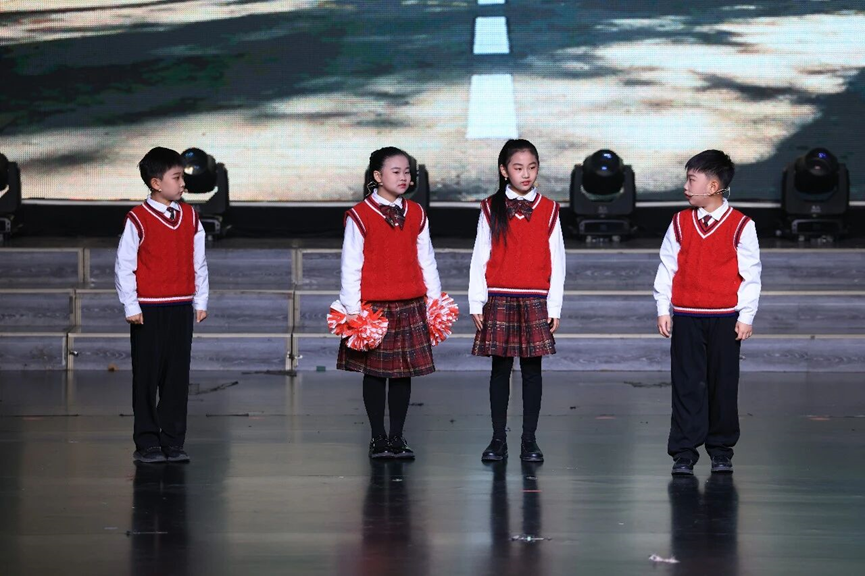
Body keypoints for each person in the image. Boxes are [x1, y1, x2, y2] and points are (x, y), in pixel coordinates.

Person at [653, 150, 762, 476]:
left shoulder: (741, 225)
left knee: (723, 384)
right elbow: (667, 266)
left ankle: (721, 450)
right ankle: (684, 452)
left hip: (725, 317)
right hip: (687, 316)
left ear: (713, 186)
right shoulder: (680, 222)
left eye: (692, 180)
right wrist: (663, 307)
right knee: (687, 384)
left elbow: (751, 274)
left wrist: (746, 315)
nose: (686, 186)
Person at [338, 147, 443, 459]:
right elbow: (351, 265)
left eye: (407, 172)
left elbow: (427, 259)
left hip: (410, 304)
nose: (403, 177)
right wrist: (353, 311)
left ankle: (397, 437)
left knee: (402, 374)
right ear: (377, 176)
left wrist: (435, 303)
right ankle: (377, 438)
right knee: (374, 374)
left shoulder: (417, 213)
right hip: (374, 309)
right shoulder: (360, 215)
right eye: (396, 171)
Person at [469, 139, 566, 463]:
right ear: (504, 170)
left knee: (532, 372)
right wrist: (476, 301)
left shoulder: (549, 209)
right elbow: (480, 256)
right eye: (518, 167)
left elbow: (557, 260)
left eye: (532, 167)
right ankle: (498, 439)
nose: (526, 174)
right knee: (500, 371)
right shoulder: (489, 207)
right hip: (498, 297)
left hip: (535, 299)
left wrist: (554, 305)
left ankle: (529, 440)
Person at [115, 146, 209, 464]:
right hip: (149, 309)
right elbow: (124, 264)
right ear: (156, 183)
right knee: (147, 376)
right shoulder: (138, 219)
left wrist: (200, 300)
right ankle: (147, 442)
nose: (183, 183)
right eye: (177, 177)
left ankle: (173, 440)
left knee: (176, 377)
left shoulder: (191, 217)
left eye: (182, 177)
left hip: (180, 306)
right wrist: (131, 305)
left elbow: (199, 262)